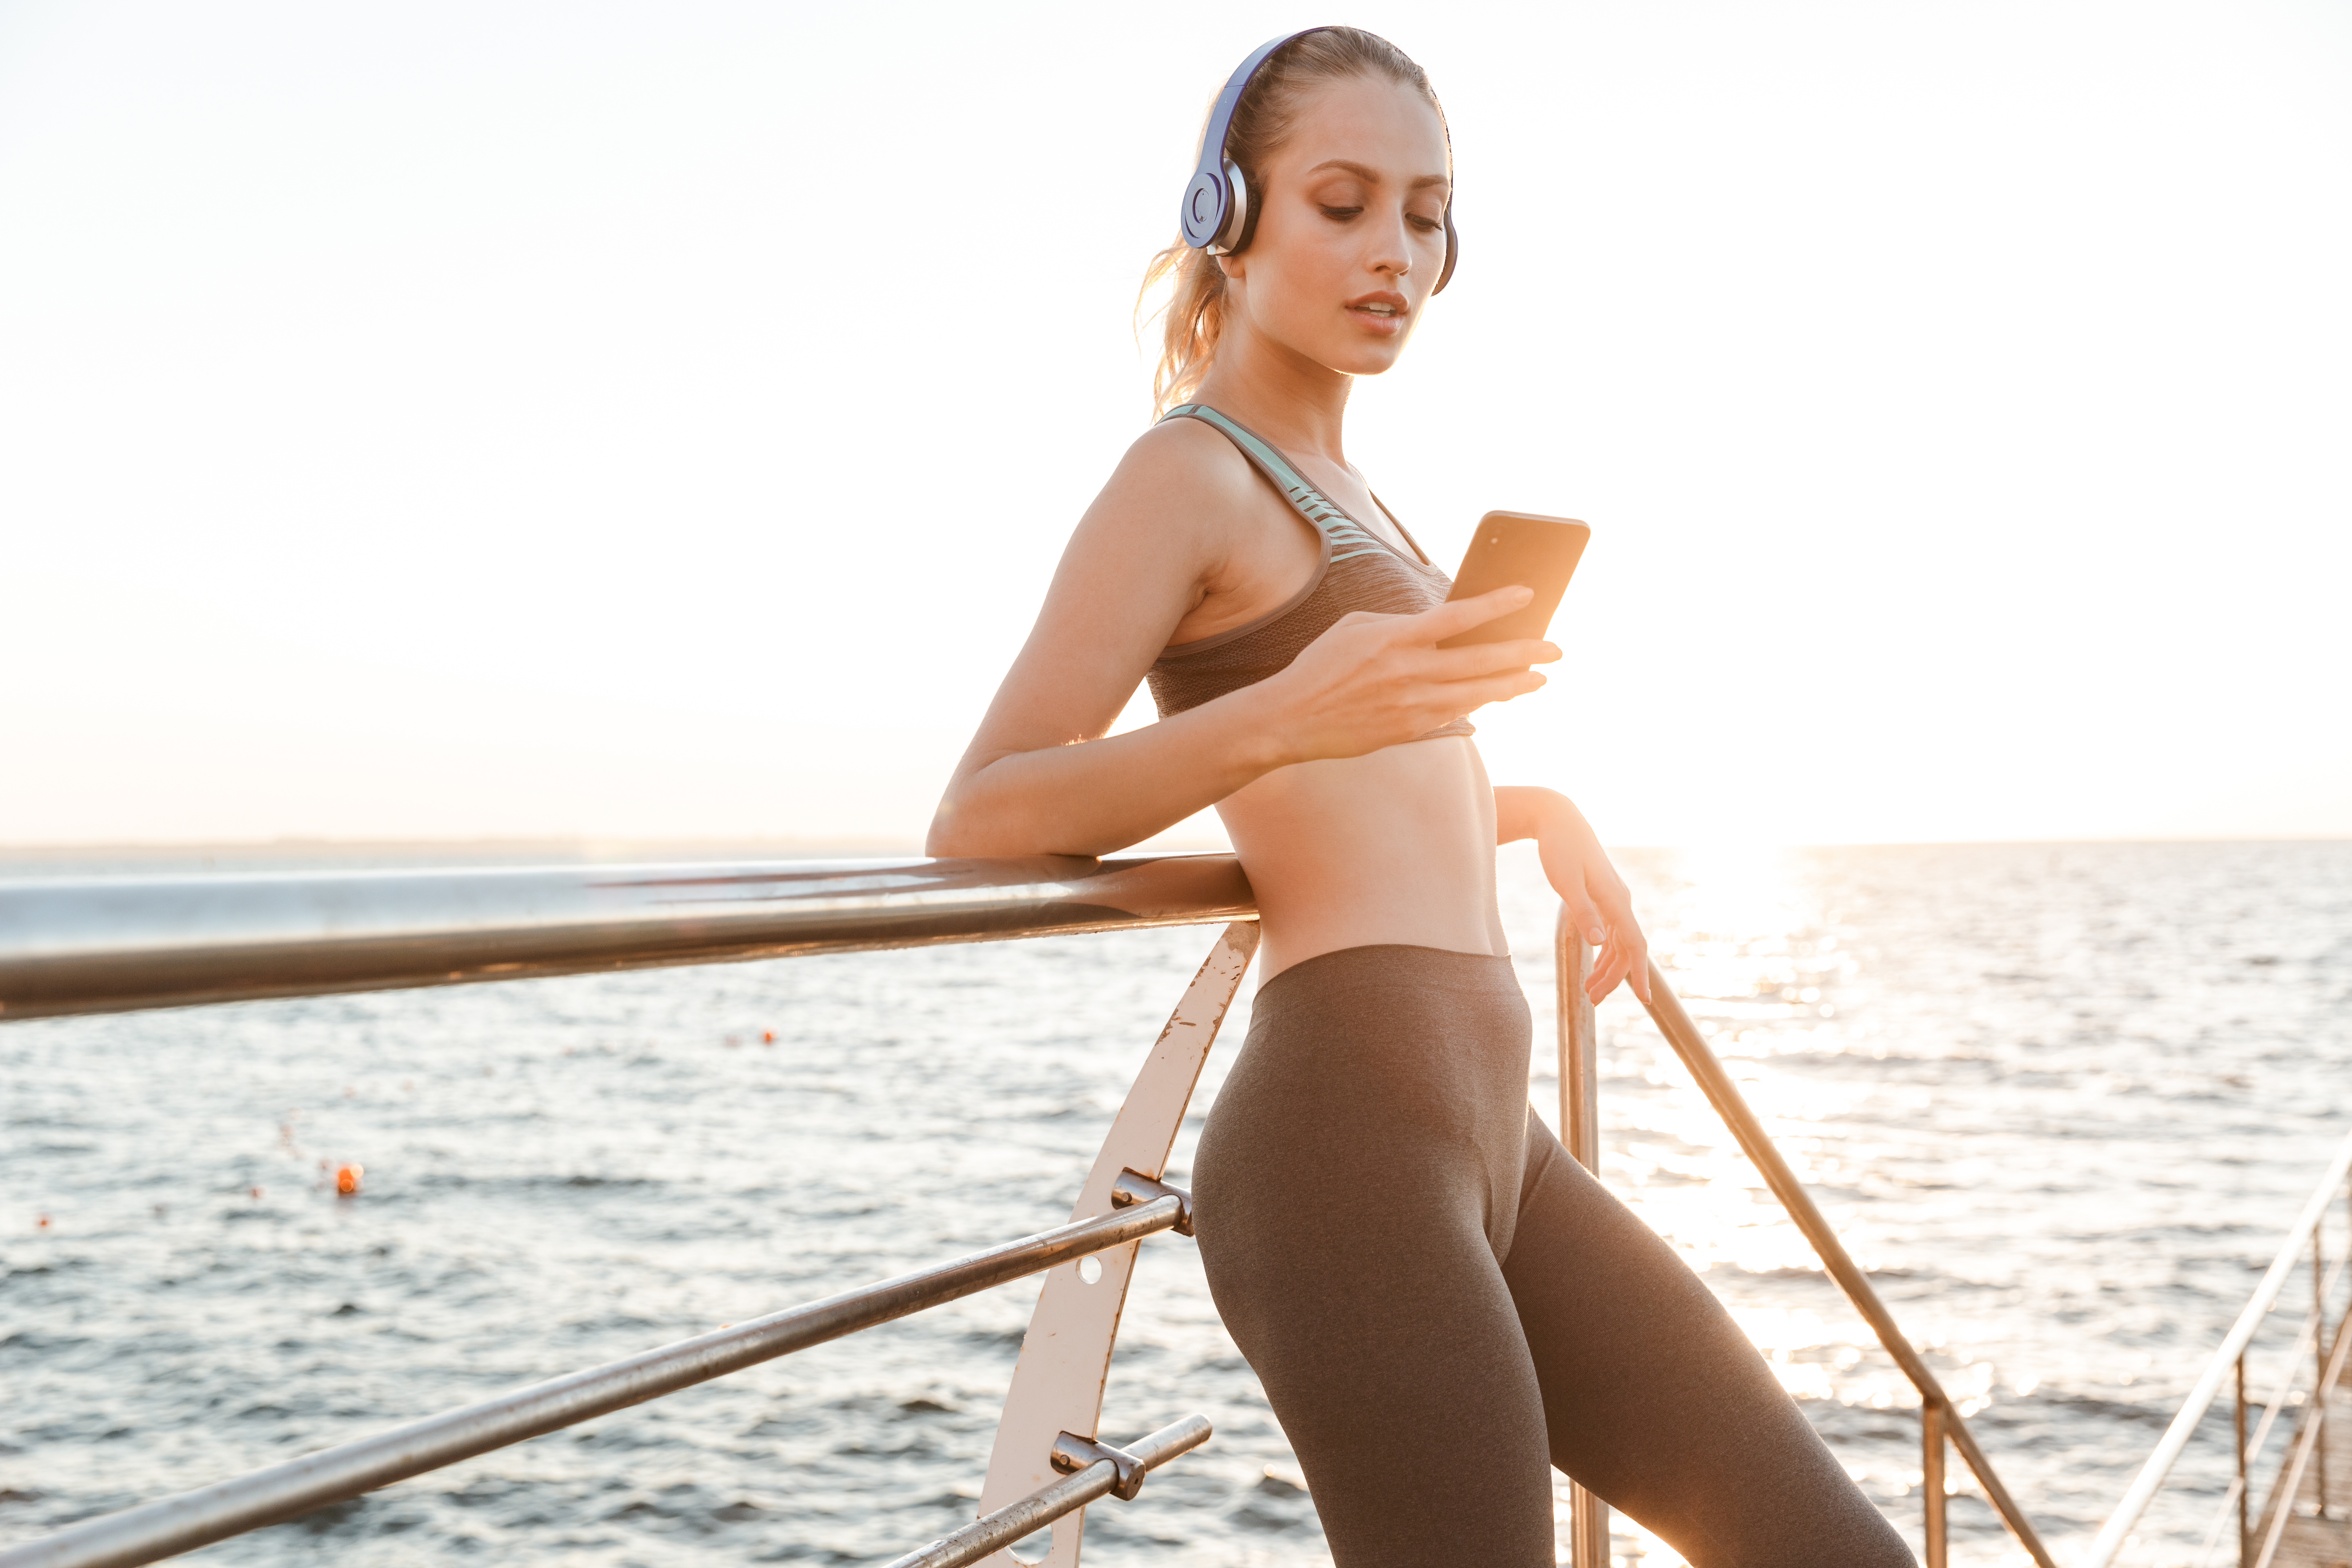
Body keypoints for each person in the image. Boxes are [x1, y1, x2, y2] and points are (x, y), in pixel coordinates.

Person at [929, 27, 1913, 1568]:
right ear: (1224, 218)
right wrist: (1282, 710)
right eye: (1342, 203)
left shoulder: (1355, 486)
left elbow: (1366, 780)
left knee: (1830, 1550)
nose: (1395, 253)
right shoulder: (1184, 477)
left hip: (1491, 1137)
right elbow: (984, 811)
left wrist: (1530, 810)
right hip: (1345, 1150)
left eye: (1427, 212)